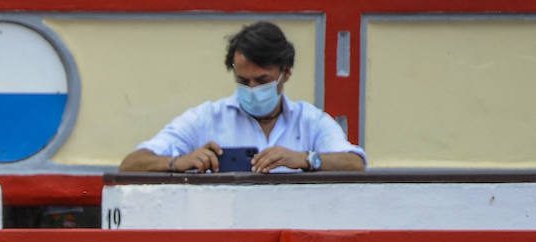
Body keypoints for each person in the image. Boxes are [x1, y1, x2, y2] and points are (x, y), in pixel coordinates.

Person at [119, 21, 366, 174]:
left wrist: (305, 159)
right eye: (243, 81)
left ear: (286, 73)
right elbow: (132, 163)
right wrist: (178, 162)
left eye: (261, 81)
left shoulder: (309, 121)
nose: (251, 88)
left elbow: (354, 163)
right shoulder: (206, 118)